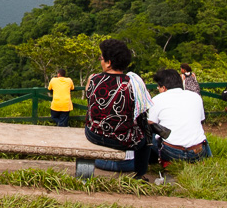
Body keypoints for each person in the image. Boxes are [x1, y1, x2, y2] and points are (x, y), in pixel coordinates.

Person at [84, 39, 150, 178]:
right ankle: (140, 174)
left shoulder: (94, 79)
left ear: (108, 63)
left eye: (102, 58)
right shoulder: (132, 83)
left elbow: (89, 98)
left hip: (93, 134)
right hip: (121, 139)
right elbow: (139, 112)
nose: (100, 61)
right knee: (146, 140)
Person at [148, 69, 210, 164]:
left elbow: (151, 123)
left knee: (149, 130)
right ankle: (208, 156)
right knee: (199, 133)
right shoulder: (196, 96)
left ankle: (152, 162)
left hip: (172, 152)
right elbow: (201, 120)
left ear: (163, 88)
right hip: (198, 152)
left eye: (158, 87)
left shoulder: (157, 99)